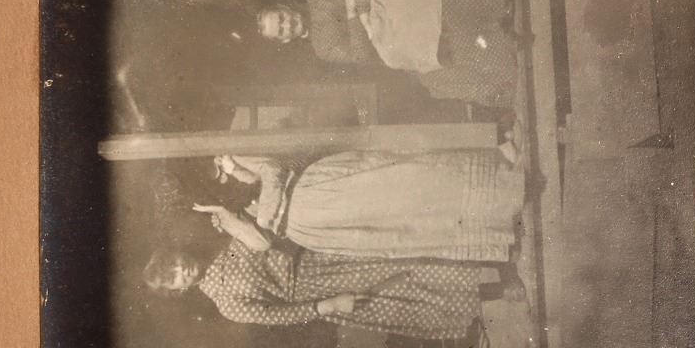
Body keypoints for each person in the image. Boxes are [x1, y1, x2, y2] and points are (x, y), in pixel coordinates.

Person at [144, 221, 514, 343]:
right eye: (175, 277)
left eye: (175, 263)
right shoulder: (226, 304)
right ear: (180, 290)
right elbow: (280, 316)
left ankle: (494, 256)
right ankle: (497, 291)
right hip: (320, 290)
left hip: (318, 252)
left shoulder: (224, 240)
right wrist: (330, 305)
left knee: (403, 256)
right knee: (406, 296)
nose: (182, 270)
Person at [258, 0, 520, 108]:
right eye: (281, 30)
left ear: (285, 8)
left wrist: (361, 14)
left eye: (281, 18)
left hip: (378, 2)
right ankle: (499, 39)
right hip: (382, 40)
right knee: (410, 48)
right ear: (284, 40)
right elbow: (361, 54)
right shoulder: (321, 47)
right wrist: (353, 14)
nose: (287, 24)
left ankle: (494, 3)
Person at [208, 148, 524, 264]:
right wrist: (228, 217)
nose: (221, 174)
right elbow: (262, 241)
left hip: (317, 190)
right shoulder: (226, 217)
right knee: (398, 230)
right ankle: (494, 226)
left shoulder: (234, 161)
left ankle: (500, 189)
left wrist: (237, 171)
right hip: (312, 225)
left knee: (408, 181)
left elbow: (272, 170)